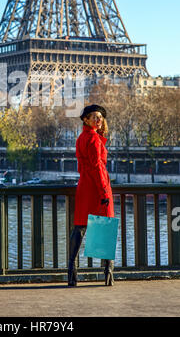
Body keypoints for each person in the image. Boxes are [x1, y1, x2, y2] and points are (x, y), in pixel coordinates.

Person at [68, 104, 115, 287]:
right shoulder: (94, 139)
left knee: (80, 227)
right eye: (94, 117)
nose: (99, 120)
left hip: (84, 186)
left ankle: (71, 272)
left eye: (100, 117)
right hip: (97, 187)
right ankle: (108, 274)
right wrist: (104, 190)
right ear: (86, 119)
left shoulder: (81, 137)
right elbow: (97, 167)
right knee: (105, 227)